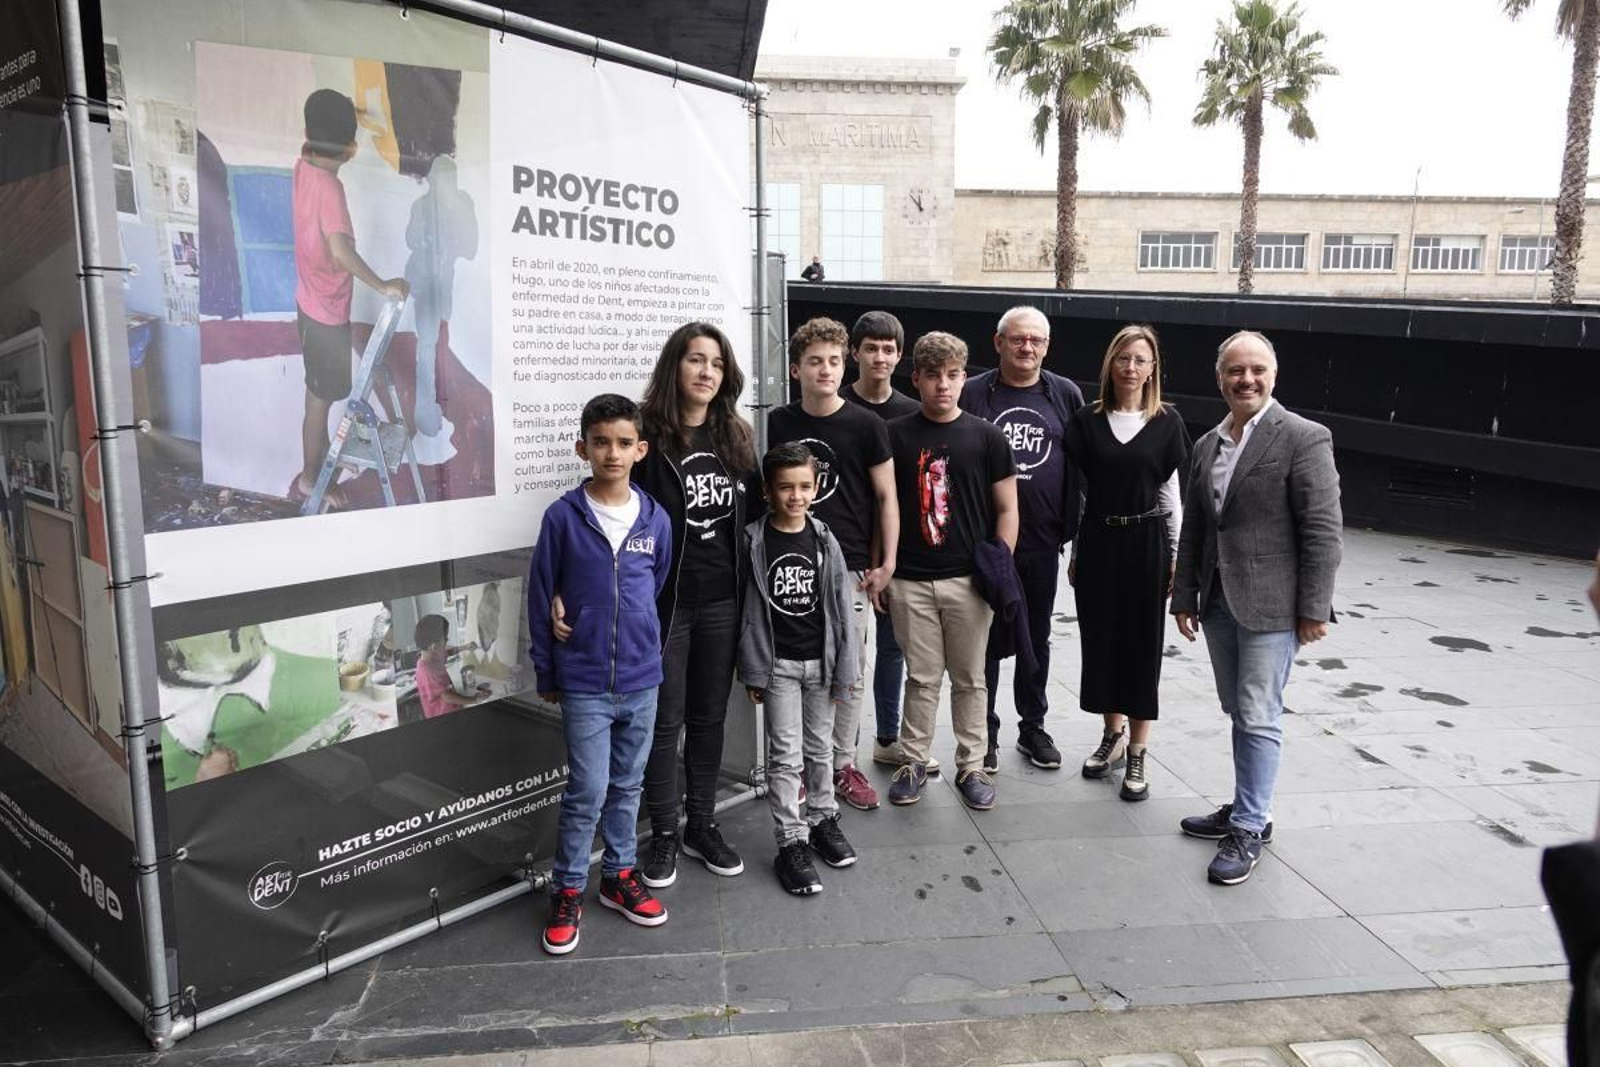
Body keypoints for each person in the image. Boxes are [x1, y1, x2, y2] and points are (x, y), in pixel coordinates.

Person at [1172, 330, 1342, 886]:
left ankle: (1247, 826)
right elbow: (1196, 526)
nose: (1246, 379)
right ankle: (1251, 809)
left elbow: (1323, 529)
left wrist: (1314, 607)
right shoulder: (1207, 444)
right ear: (1219, 378)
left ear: (1273, 374)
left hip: (1274, 605)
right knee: (1239, 709)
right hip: (1219, 601)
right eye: (1234, 371)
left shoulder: (1303, 437)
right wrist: (1184, 595)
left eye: (1256, 370)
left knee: (1258, 711)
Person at [528, 394, 674, 955]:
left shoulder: (655, 518)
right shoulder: (563, 518)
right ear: (581, 447)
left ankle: (619, 875)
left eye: (622, 443)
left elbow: (651, 588)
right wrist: (549, 667)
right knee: (587, 790)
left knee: (628, 785)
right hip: (584, 680)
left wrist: (626, 624)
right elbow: (542, 594)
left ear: (640, 449)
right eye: (600, 443)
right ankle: (567, 889)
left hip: (642, 679)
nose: (611, 453)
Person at [630, 322, 758, 886]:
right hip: (667, 605)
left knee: (709, 718)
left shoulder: (735, 435)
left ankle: (701, 824)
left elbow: (753, 523)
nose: (706, 372)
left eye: (716, 363)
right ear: (674, 367)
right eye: (695, 360)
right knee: (665, 721)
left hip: (723, 601)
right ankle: (663, 834)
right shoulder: (646, 437)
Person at [767, 318, 898, 811]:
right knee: (793, 667)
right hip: (789, 562)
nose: (826, 370)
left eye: (834, 361)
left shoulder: (867, 424)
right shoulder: (779, 422)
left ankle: (843, 764)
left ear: (846, 366)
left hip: (850, 568)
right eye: (815, 361)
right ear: (796, 368)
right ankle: (801, 767)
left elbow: (886, 497)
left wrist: (887, 562)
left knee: (848, 669)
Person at [884, 332, 1018, 811]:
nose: (943, 384)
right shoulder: (895, 435)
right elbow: (886, 506)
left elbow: (1007, 508)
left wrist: (998, 567)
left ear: (965, 377)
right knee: (920, 677)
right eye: (933, 375)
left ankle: (972, 764)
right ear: (915, 377)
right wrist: (887, 569)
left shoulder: (987, 436)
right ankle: (913, 760)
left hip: (968, 579)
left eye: (953, 374)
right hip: (910, 580)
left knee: (970, 677)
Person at [1064, 325, 1189, 800]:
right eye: (1123, 358)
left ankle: (1138, 750)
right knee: (1102, 643)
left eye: (1140, 359)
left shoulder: (1166, 422)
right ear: (1110, 364)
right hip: (1098, 541)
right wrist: (1076, 550)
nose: (1131, 367)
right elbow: (1081, 494)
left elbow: (1169, 495)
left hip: (1145, 542)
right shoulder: (1086, 420)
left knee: (1140, 646)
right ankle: (1111, 737)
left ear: (1152, 367)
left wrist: (1177, 556)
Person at [959, 306, 1084, 774]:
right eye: (1017, 339)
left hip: (1041, 542)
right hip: (983, 544)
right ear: (998, 342)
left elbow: (1082, 463)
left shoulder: (1065, 394)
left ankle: (1032, 726)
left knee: (1037, 637)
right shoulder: (972, 392)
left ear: (1046, 347)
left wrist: (1076, 533)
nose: (1026, 347)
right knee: (984, 642)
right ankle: (984, 733)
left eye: (1035, 341)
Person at [738, 443, 862, 894]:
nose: (796, 496)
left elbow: (843, 611)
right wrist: (754, 670)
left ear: (817, 487)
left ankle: (823, 821)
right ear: (769, 491)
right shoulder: (753, 540)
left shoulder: (825, 539)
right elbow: (747, 610)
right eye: (786, 488)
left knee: (821, 750)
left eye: (805, 486)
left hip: (821, 667)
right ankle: (790, 841)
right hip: (779, 669)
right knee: (785, 758)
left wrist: (843, 669)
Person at [290, 88, 409, 510]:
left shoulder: (302, 167)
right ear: (354, 149)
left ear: (307, 134)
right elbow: (340, 251)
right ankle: (309, 480)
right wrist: (383, 286)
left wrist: (339, 120)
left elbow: (320, 138)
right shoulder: (330, 191)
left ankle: (316, 468)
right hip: (325, 315)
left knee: (316, 396)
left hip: (308, 304)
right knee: (320, 403)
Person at [842, 312, 932, 776]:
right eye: (871, 348)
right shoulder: (832, 403)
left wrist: (891, 560)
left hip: (899, 555)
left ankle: (887, 738)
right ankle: (842, 752)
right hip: (846, 551)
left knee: (895, 648)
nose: (880, 357)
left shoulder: (910, 413)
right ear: (854, 352)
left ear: (900, 356)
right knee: (846, 656)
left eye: (889, 349)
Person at [413, 615, 488, 720]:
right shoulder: (427, 671)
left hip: (452, 705)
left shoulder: (435, 654)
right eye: (445, 639)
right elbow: (447, 696)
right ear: (434, 647)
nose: (447, 640)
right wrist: (474, 700)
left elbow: (449, 652)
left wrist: (466, 647)